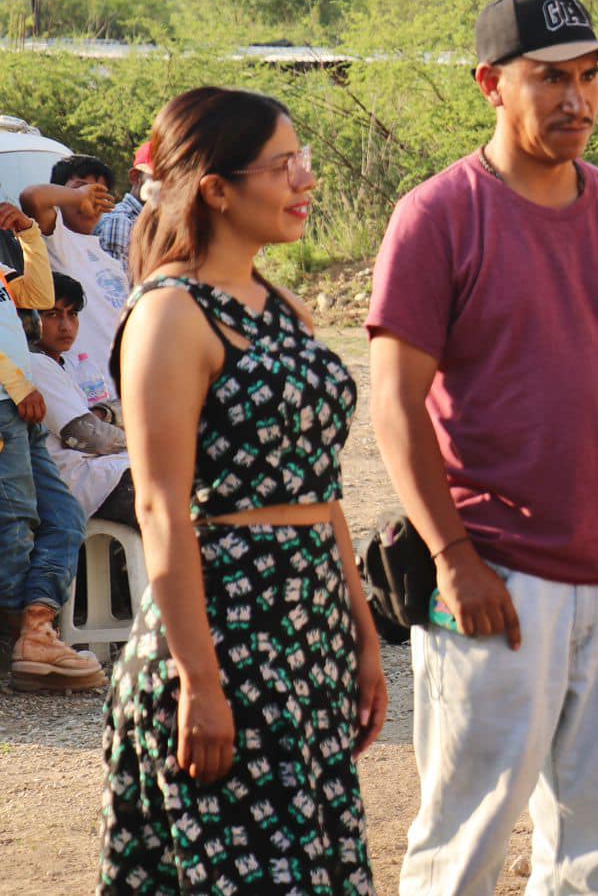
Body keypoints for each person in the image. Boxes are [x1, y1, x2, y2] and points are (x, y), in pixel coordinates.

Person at [368, 0, 598, 895]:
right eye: (551, 77)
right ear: (491, 84)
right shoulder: (439, 216)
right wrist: (452, 558)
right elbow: (394, 402)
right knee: (464, 838)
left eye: (591, 76)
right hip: (495, 581)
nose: (578, 99)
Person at [99, 87, 384, 894]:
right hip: (223, 632)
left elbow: (320, 491)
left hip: (308, 632)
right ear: (216, 188)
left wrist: (362, 635)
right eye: (283, 163)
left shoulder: (280, 306)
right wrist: (199, 679)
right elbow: (159, 507)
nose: (306, 179)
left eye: (305, 159)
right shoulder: (169, 315)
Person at [0, 203, 101, 692]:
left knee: (63, 515)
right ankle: (26, 643)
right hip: (10, 401)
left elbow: (36, 296)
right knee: (16, 521)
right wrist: (18, 386)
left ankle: (38, 629)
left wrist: (30, 238)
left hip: (21, 408)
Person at [28, 272, 134, 526]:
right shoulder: (35, 363)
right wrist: (144, 443)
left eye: (72, 314)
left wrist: (105, 414)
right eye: (52, 314)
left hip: (98, 474)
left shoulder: (69, 363)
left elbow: (112, 411)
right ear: (28, 319)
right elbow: (89, 437)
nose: (65, 325)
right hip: (73, 484)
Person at [19, 155, 124, 373]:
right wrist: (77, 197)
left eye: (99, 193)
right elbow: (32, 197)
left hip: (120, 386)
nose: (90, 201)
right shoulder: (55, 239)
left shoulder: (110, 260)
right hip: (86, 388)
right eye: (82, 189)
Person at [96, 141, 153, 275]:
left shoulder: (158, 222)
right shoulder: (120, 222)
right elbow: (118, 289)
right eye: (162, 177)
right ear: (136, 177)